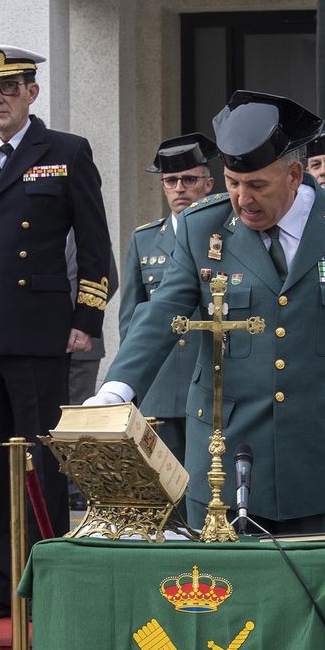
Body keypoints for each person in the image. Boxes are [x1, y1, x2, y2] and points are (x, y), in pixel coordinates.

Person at [87, 90, 325, 535]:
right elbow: (163, 311)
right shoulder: (204, 227)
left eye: (258, 185)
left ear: (295, 176)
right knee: (223, 594)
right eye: (233, 184)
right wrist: (116, 389)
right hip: (224, 451)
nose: (243, 199)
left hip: (324, 451)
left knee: (318, 592)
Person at [0, 44, 112, 621]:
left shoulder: (64, 150)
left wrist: (86, 320)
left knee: (40, 459)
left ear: (31, 92)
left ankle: (43, 580)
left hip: (39, 330)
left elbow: (95, 246)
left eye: (9, 87)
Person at [117, 133, 218, 460]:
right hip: (161, 383)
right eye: (170, 180)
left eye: (189, 179)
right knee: (166, 488)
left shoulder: (227, 235)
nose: (179, 188)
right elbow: (131, 320)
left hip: (212, 380)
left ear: (208, 183)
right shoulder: (145, 239)